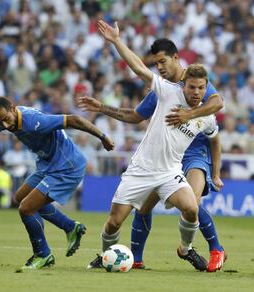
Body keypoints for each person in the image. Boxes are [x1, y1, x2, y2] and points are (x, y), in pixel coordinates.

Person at [80, 38, 226, 272]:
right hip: (141, 170)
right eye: (191, 87)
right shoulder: (167, 90)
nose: (196, 92)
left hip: (170, 172)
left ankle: (187, 249)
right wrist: (116, 40)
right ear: (183, 85)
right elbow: (138, 68)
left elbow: (217, 114)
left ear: (205, 86)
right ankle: (106, 254)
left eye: (201, 88)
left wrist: (189, 117)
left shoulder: (206, 116)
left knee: (191, 207)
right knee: (114, 222)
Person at [0, 96, 114, 271]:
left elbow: (74, 119)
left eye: (5, 119)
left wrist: (102, 137)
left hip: (66, 167)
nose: (5, 125)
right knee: (19, 198)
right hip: (47, 165)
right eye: (0, 122)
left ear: (13, 108)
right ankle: (70, 227)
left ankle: (43, 254)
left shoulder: (35, 121)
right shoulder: (9, 119)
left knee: (26, 208)